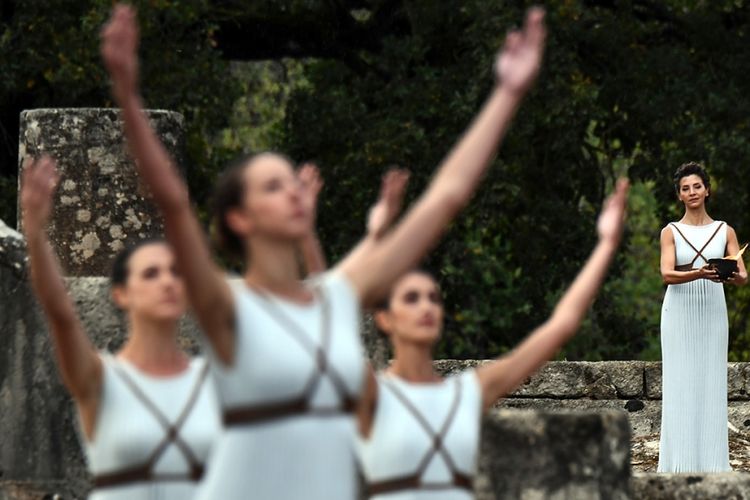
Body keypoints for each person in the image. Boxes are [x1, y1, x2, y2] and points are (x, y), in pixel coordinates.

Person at [99, 4, 546, 499]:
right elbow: (173, 202)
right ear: (238, 218)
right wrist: (127, 93)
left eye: (292, 182)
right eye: (272, 187)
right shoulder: (226, 306)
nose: (292, 191)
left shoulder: (338, 296)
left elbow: (445, 197)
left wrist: (507, 94)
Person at [354, 179, 628, 499]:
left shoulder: (466, 392)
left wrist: (606, 244)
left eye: (433, 298)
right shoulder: (371, 391)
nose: (426, 306)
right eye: (411, 299)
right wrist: (373, 241)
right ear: (385, 317)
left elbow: (561, 325)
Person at [20, 156, 221, 499]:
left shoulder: (214, 381)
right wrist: (36, 237)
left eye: (176, 272)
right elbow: (61, 314)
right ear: (121, 294)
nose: (168, 282)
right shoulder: (101, 380)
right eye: (151, 274)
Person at [658, 162, 747, 473]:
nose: (692, 192)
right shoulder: (670, 231)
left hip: (712, 308)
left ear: (707, 190)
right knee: (679, 382)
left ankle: (713, 466)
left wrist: (728, 273)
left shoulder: (725, 231)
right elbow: (667, 274)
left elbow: (743, 276)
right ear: (679, 195)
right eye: (685, 188)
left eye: (697, 186)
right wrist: (698, 272)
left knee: (710, 381)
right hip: (678, 310)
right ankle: (677, 466)